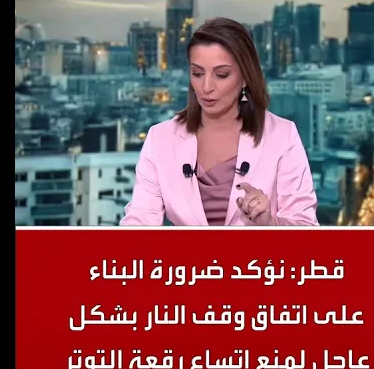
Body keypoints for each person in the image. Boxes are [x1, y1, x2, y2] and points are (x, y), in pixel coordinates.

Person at [120, 17, 319, 226]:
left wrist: (269, 224)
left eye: (221, 74)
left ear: (245, 78)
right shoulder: (160, 138)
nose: (206, 87)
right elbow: (138, 224)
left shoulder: (282, 135)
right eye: (197, 73)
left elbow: (305, 226)